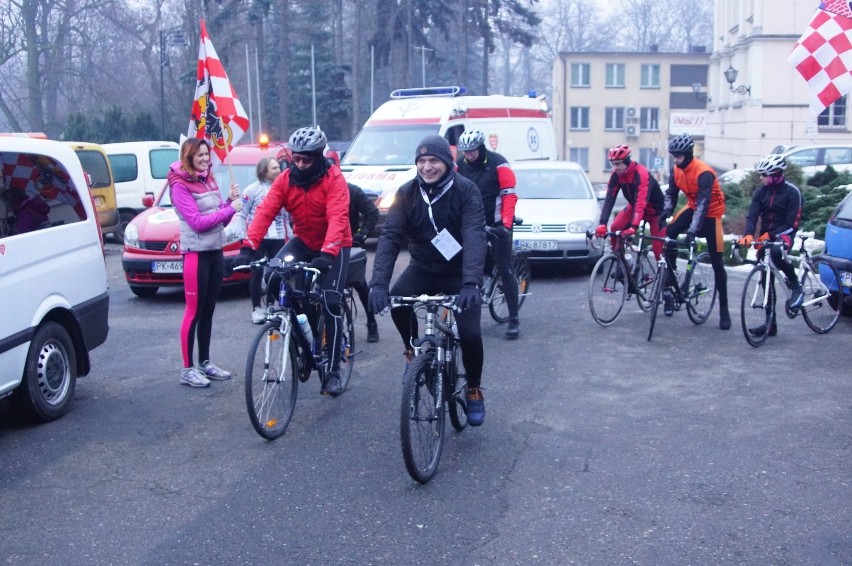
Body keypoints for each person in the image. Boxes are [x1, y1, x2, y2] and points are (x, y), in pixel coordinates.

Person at [367, 135, 489, 426]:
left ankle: (473, 388)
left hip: (459, 272)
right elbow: (390, 237)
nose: (427, 167)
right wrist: (379, 283)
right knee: (397, 303)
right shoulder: (407, 193)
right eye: (421, 161)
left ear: (447, 162)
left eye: (433, 160)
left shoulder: (466, 190)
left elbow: (474, 234)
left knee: (470, 334)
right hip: (423, 267)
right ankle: (413, 353)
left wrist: (472, 281)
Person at [236, 126, 352, 397]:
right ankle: (305, 322)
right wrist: (249, 247)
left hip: (335, 245)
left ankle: (333, 368)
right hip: (303, 241)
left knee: (330, 301)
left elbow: (338, 217)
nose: (300, 164)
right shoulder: (286, 179)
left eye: (306, 159)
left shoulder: (333, 178)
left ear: (318, 156)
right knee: (273, 277)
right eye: (296, 158)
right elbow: (265, 212)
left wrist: (328, 253)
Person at [169, 138, 242, 388]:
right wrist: (230, 208)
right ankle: (187, 369)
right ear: (188, 156)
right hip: (195, 255)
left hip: (215, 252)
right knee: (194, 311)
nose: (204, 159)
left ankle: (205, 362)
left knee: (209, 309)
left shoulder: (208, 179)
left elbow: (219, 218)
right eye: (199, 155)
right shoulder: (179, 185)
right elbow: (198, 223)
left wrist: (228, 204)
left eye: (206, 154)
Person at [455, 129, 521, 339]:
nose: (469, 155)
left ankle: (513, 319)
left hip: (496, 223)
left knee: (504, 268)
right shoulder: (460, 164)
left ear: (481, 147)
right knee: (462, 264)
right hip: (471, 223)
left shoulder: (499, 163)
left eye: (473, 151)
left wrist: (506, 225)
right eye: (466, 152)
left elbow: (509, 196)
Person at [661, 133, 731, 329]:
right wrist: (667, 209)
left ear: (689, 154)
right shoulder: (676, 170)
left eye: (679, 157)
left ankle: (724, 310)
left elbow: (703, 203)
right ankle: (671, 276)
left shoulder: (704, 172)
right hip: (693, 207)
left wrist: (692, 230)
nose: (676, 160)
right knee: (669, 234)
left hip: (711, 213)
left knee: (717, 263)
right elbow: (671, 194)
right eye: (674, 157)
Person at [738, 154, 804, 336]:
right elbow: (752, 215)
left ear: (775, 174)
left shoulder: (792, 192)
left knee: (776, 252)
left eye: (764, 175)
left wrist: (772, 235)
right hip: (765, 235)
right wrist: (749, 234)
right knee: (766, 276)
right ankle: (770, 323)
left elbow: (792, 223)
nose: (760, 178)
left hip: (785, 233)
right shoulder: (761, 192)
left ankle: (796, 285)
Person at [239, 156, 293, 324]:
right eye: (274, 168)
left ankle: (270, 305)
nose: (278, 170)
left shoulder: (285, 189)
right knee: (257, 273)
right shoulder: (251, 190)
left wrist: (291, 237)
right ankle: (256, 308)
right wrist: (244, 237)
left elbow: (287, 218)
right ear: (263, 171)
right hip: (259, 239)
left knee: (275, 273)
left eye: (279, 167)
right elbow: (242, 214)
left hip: (277, 239)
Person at [595, 144, 666, 260]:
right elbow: (610, 198)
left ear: (627, 161)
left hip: (654, 212)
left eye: (618, 163)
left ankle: (667, 274)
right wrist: (602, 223)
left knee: (658, 252)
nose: (615, 167)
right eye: (612, 164)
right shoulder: (616, 175)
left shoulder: (641, 173)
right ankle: (621, 262)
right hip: (634, 207)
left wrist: (633, 227)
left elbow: (641, 201)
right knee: (615, 227)